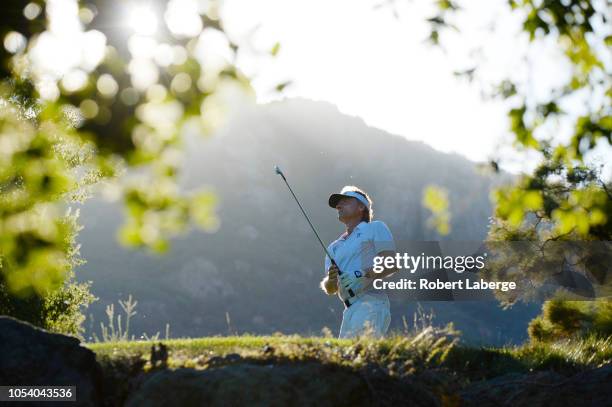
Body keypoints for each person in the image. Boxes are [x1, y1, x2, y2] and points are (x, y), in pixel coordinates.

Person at [320, 186, 398, 339]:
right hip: (349, 309)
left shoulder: (375, 228)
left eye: (346, 201)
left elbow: (391, 263)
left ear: (362, 206)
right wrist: (331, 279)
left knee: (358, 356)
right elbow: (330, 289)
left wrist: (360, 274)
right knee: (346, 359)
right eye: (338, 204)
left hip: (372, 303)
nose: (339, 206)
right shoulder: (333, 247)